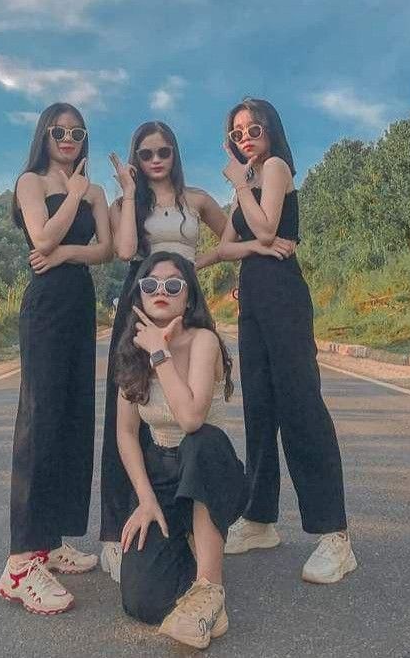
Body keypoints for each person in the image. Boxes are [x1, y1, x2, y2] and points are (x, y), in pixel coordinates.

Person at [216, 97, 357, 584]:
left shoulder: (273, 169)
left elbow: (267, 225)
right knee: (259, 409)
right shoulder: (248, 184)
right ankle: (258, 520)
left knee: (300, 406)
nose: (245, 137)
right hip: (252, 298)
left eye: (253, 128)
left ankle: (334, 537)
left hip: (282, 293)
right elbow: (228, 246)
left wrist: (241, 190)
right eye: (237, 133)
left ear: (271, 131)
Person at [96, 121, 228, 582]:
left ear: (175, 153)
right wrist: (130, 193)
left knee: (193, 414)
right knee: (127, 417)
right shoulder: (126, 202)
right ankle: (114, 534)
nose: (155, 159)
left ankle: (197, 518)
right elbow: (126, 250)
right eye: (146, 152)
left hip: (184, 298)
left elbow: (232, 237)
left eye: (163, 151)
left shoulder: (198, 199)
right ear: (136, 156)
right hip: (143, 301)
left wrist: (200, 263)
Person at [0, 103, 113, 615]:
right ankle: (20, 562)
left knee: (72, 420)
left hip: (79, 304)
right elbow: (41, 237)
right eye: (59, 131)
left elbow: (107, 248)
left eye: (77, 132)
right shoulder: (30, 182)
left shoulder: (97, 191)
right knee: (39, 422)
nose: (68, 138)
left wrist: (67, 253)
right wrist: (75, 198)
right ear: (44, 135)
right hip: (44, 307)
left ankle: (53, 542)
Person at [114, 252, 247, 649]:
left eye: (173, 285)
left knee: (201, 439)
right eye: (150, 284)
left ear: (188, 298)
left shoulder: (203, 341)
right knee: (143, 602)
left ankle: (209, 589)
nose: (160, 292)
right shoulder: (132, 348)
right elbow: (125, 432)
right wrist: (145, 500)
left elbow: (190, 418)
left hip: (209, 467)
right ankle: (189, 550)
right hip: (161, 472)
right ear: (139, 293)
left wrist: (160, 352)